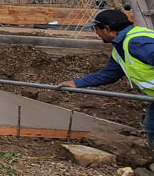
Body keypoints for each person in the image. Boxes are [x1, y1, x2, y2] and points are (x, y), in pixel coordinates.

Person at [58, 9, 154, 151]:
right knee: (151, 126)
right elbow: (110, 74)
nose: (96, 33)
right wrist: (77, 83)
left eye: (96, 29)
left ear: (107, 29)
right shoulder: (120, 47)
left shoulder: (136, 42)